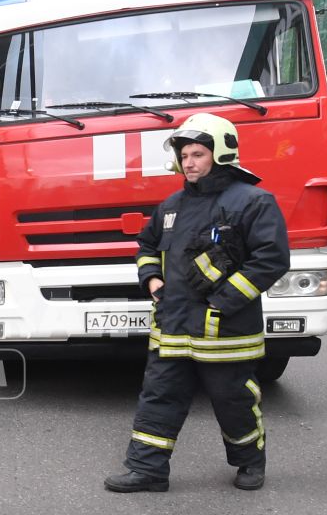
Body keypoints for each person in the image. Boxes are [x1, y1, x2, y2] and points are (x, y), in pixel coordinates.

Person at [102, 113, 290, 492]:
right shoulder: (171, 206)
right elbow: (147, 245)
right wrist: (152, 279)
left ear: (220, 154)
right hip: (172, 327)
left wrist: (223, 301)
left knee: (233, 401)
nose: (189, 162)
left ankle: (250, 462)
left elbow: (271, 258)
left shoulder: (253, 201)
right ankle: (147, 469)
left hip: (225, 331)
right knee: (159, 397)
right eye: (185, 154)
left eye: (198, 154)